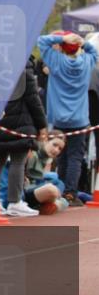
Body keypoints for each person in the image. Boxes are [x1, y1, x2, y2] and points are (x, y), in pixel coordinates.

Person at [38, 30, 98, 206]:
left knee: (60, 155)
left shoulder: (55, 61)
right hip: (79, 119)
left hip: (58, 118)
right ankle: (70, 193)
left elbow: (42, 40)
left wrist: (61, 38)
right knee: (75, 157)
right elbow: (94, 52)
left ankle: (60, 189)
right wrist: (82, 42)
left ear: (62, 48)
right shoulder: (87, 62)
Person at [0, 61, 48, 217]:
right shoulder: (23, 66)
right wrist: (42, 124)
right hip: (22, 120)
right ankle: (15, 202)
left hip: (0, 118)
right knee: (18, 162)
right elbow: (33, 98)